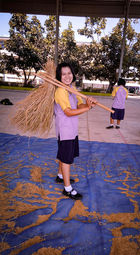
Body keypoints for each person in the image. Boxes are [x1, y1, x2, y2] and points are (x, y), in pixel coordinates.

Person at [54, 62, 96, 200]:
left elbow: (79, 105)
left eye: (69, 73)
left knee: (64, 154)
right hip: (65, 131)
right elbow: (68, 112)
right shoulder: (60, 91)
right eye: (63, 74)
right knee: (66, 159)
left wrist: (88, 104)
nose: (67, 76)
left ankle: (60, 176)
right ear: (59, 76)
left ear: (73, 74)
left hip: (72, 129)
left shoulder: (72, 88)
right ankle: (67, 189)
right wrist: (88, 109)